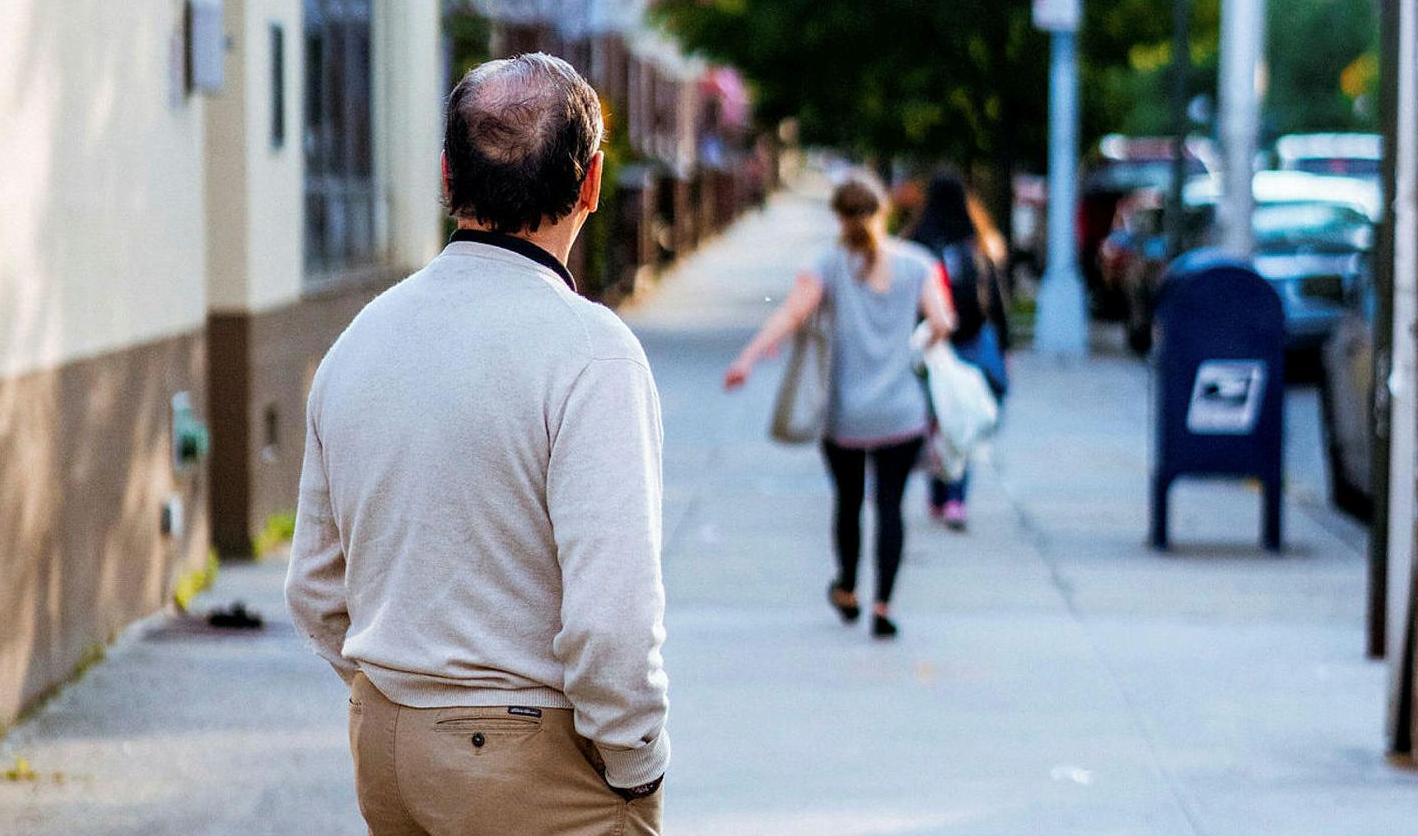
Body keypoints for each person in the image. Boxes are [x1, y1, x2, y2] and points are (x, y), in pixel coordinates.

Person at [286, 54, 669, 836]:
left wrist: (397, 690)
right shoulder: (590, 353)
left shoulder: (361, 339)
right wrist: (637, 764)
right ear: (592, 184)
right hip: (531, 763)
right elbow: (611, 626)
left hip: (387, 745)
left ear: (446, 178)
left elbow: (315, 590)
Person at [724, 172, 954, 639]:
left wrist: (747, 359)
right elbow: (943, 322)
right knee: (890, 507)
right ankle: (884, 605)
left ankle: (848, 590)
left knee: (848, 503)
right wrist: (918, 345)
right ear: (883, 211)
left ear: (838, 217)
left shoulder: (826, 265)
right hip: (902, 413)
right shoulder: (918, 264)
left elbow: (791, 314)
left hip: (846, 414)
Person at [907, 173, 1012, 532]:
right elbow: (997, 301)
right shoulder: (978, 243)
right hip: (971, 339)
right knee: (962, 417)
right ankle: (956, 497)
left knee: (937, 417)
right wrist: (1006, 347)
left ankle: (937, 492)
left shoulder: (917, 243)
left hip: (932, 342)